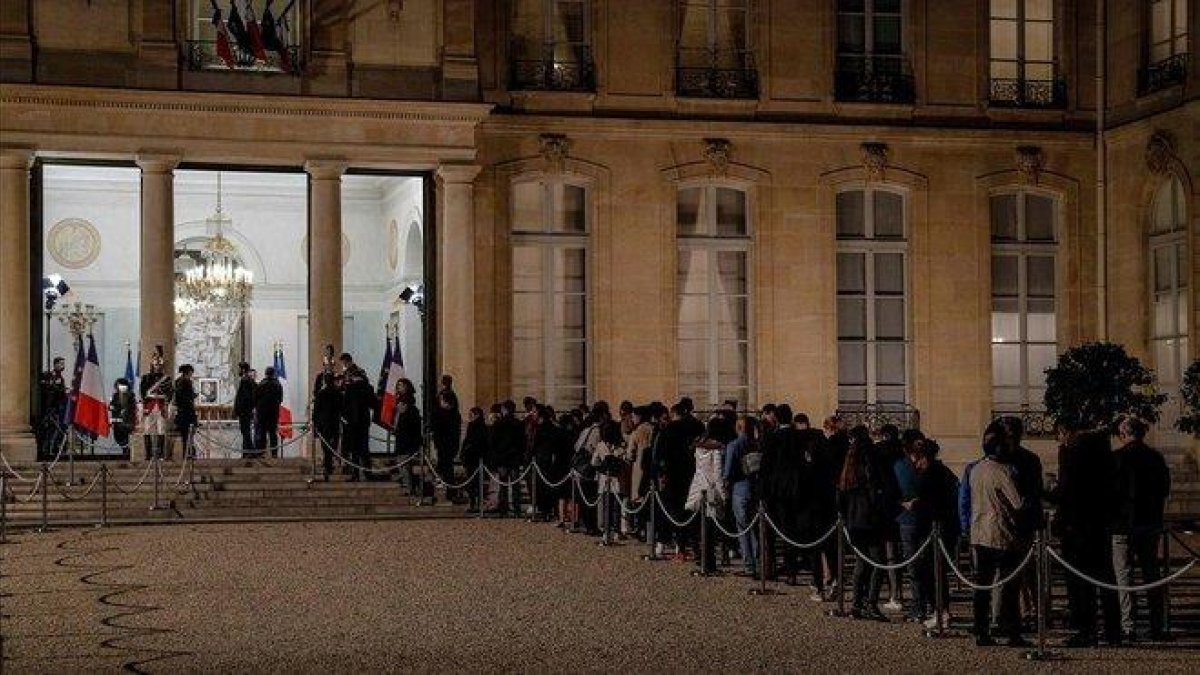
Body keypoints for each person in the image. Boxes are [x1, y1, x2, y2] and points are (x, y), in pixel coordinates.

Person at [1049, 423, 1122, 647]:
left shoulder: (1071, 455)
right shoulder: (1108, 460)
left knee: (1080, 583)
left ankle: (1086, 629)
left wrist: (1047, 492)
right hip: (1100, 525)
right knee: (1106, 579)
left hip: (1077, 528)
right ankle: (1113, 631)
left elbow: (1066, 494)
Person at [1110, 416, 1170, 641]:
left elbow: (1110, 493)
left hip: (1122, 526)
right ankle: (1157, 625)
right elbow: (1164, 489)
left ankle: (1129, 626)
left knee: (1124, 578)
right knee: (1152, 576)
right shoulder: (1156, 458)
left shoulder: (1116, 458)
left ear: (1124, 435)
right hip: (1149, 522)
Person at [968, 424, 1028, 648]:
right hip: (1001, 533)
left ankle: (981, 631)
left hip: (979, 533)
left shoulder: (976, 469)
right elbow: (1018, 503)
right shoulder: (1003, 471)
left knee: (981, 587)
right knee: (1010, 587)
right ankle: (1013, 632)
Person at [838, 426, 892, 622]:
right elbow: (876, 488)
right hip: (870, 518)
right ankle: (870, 603)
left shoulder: (849, 463)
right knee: (878, 561)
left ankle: (856, 604)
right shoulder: (871, 458)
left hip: (854, 520)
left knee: (862, 562)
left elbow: (841, 495)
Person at [686, 417, 728, 574]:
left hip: (698, 488)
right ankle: (710, 563)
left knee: (701, 528)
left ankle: (702, 558)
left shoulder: (700, 445)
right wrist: (723, 495)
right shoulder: (716, 449)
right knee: (710, 530)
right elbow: (717, 474)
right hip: (711, 491)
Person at [723, 415, 761, 578]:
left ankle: (749, 564)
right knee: (753, 526)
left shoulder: (734, 445)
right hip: (754, 488)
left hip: (739, 488)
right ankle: (758, 560)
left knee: (743, 527)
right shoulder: (756, 443)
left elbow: (728, 471)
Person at [338, 354, 377, 481]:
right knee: (358, 448)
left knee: (360, 448)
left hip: (356, 419)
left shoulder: (355, 384)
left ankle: (362, 473)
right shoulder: (361, 386)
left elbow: (345, 402)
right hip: (356, 419)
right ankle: (361, 473)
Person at [591, 419, 630, 544]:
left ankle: (606, 532)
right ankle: (616, 531)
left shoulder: (601, 445)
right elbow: (625, 461)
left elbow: (594, 462)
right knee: (616, 509)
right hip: (618, 480)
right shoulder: (621, 445)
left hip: (605, 481)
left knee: (606, 508)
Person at [139, 347, 172, 460]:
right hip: (149, 406)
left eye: (159, 363)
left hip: (161, 407)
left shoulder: (166, 379)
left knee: (161, 430)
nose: (157, 365)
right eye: (155, 363)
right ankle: (148, 455)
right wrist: (150, 395)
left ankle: (160, 455)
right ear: (152, 364)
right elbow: (143, 393)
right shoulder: (146, 378)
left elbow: (170, 393)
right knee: (147, 430)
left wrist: (163, 397)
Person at [393, 378, 423, 495]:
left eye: (401, 385)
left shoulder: (408, 402)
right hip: (403, 436)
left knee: (404, 463)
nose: (398, 387)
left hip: (407, 438)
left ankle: (409, 487)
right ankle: (408, 486)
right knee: (402, 463)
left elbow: (402, 414)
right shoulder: (402, 400)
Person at [431, 380, 462, 495]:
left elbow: (441, 431)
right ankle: (449, 489)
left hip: (445, 446)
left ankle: (450, 491)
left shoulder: (443, 415)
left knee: (446, 469)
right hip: (448, 445)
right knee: (446, 469)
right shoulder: (453, 414)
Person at [312, 368, 342, 480]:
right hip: (334, 422)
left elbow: (316, 410)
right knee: (332, 444)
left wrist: (315, 424)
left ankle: (327, 465)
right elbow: (341, 408)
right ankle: (328, 465)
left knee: (326, 446)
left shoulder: (321, 393)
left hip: (323, 423)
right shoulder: (338, 392)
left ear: (325, 380)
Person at [38, 357, 68, 456]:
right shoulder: (48, 375)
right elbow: (45, 388)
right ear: (55, 364)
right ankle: (45, 450)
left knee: (58, 430)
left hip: (58, 408)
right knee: (48, 430)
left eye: (63, 364)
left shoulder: (61, 378)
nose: (63, 366)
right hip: (49, 408)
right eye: (61, 364)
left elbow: (62, 393)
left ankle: (55, 449)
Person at [460, 407, 488, 512]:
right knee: (476, 482)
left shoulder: (474, 426)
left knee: (473, 482)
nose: (469, 417)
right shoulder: (482, 426)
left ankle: (473, 503)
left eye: (471, 414)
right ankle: (476, 503)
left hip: (473, 458)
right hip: (477, 457)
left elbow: (469, 441)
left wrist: (464, 453)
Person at [254, 366, 284, 456]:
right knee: (273, 434)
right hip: (273, 413)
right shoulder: (278, 385)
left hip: (262, 413)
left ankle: (261, 453)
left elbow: (255, 399)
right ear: (274, 373)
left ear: (266, 374)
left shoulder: (261, 384)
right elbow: (280, 399)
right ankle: (274, 453)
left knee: (262, 433)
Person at [172, 364, 198, 460]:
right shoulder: (185, 382)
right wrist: (193, 396)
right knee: (188, 435)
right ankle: (188, 454)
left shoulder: (178, 381)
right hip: (187, 413)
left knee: (186, 436)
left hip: (182, 412)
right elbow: (185, 397)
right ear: (188, 372)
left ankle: (187, 453)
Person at [233, 361, 256, 453]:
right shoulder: (247, 380)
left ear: (243, 369)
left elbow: (245, 398)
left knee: (246, 432)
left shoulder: (245, 380)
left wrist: (239, 409)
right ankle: (247, 451)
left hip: (244, 411)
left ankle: (249, 451)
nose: (238, 370)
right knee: (245, 432)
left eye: (239, 368)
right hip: (246, 411)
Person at [108, 377, 136, 451]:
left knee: (126, 438)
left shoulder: (131, 395)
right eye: (118, 385)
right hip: (117, 421)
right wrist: (115, 408)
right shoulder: (115, 396)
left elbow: (133, 407)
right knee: (118, 438)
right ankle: (124, 449)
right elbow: (111, 406)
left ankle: (127, 452)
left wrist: (126, 409)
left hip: (127, 421)